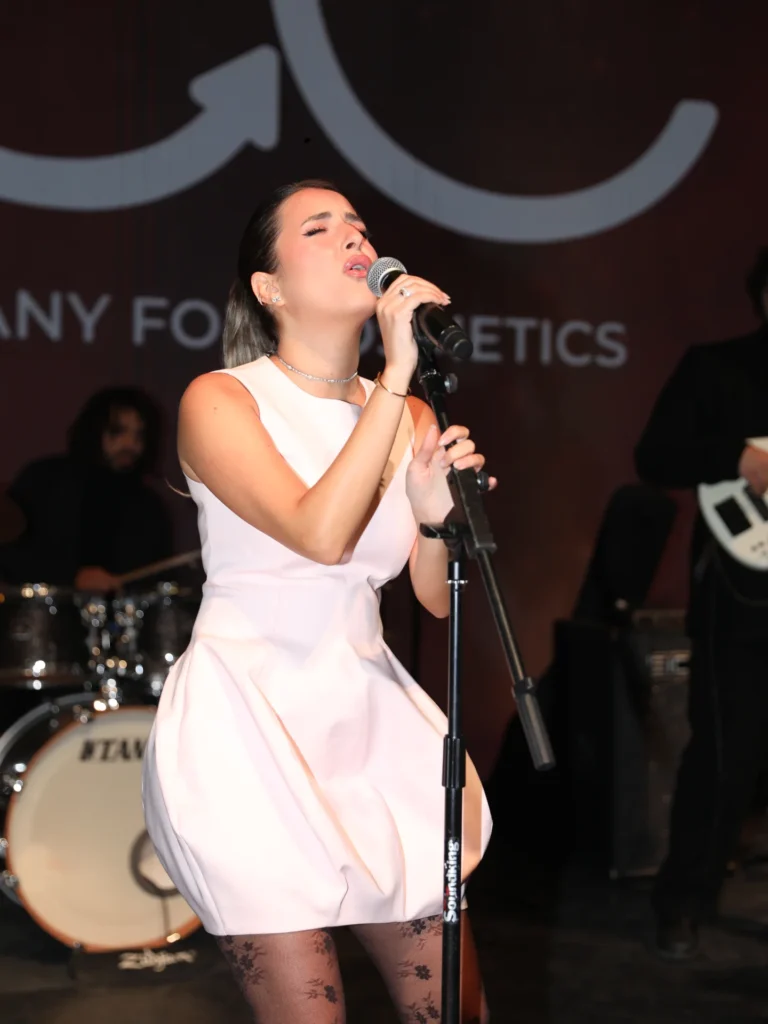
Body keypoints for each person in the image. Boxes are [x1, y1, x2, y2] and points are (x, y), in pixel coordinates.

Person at [142, 180, 494, 1022]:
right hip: (248, 725)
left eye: (360, 227)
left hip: (368, 720)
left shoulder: (407, 414)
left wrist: (437, 519)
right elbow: (320, 535)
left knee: (456, 1012)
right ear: (269, 287)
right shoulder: (222, 399)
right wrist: (396, 371)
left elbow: (433, 602)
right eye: (320, 228)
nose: (355, 240)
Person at [634, 247, 768, 960]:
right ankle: (683, 902)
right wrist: (737, 457)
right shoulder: (718, 368)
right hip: (740, 597)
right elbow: (655, 457)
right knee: (724, 751)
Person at [0, 387, 173, 590]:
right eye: (117, 431)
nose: (130, 444)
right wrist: (72, 577)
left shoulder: (149, 506)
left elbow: (158, 579)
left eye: (140, 435)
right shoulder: (43, 479)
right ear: (93, 430)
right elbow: (11, 556)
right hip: (48, 606)